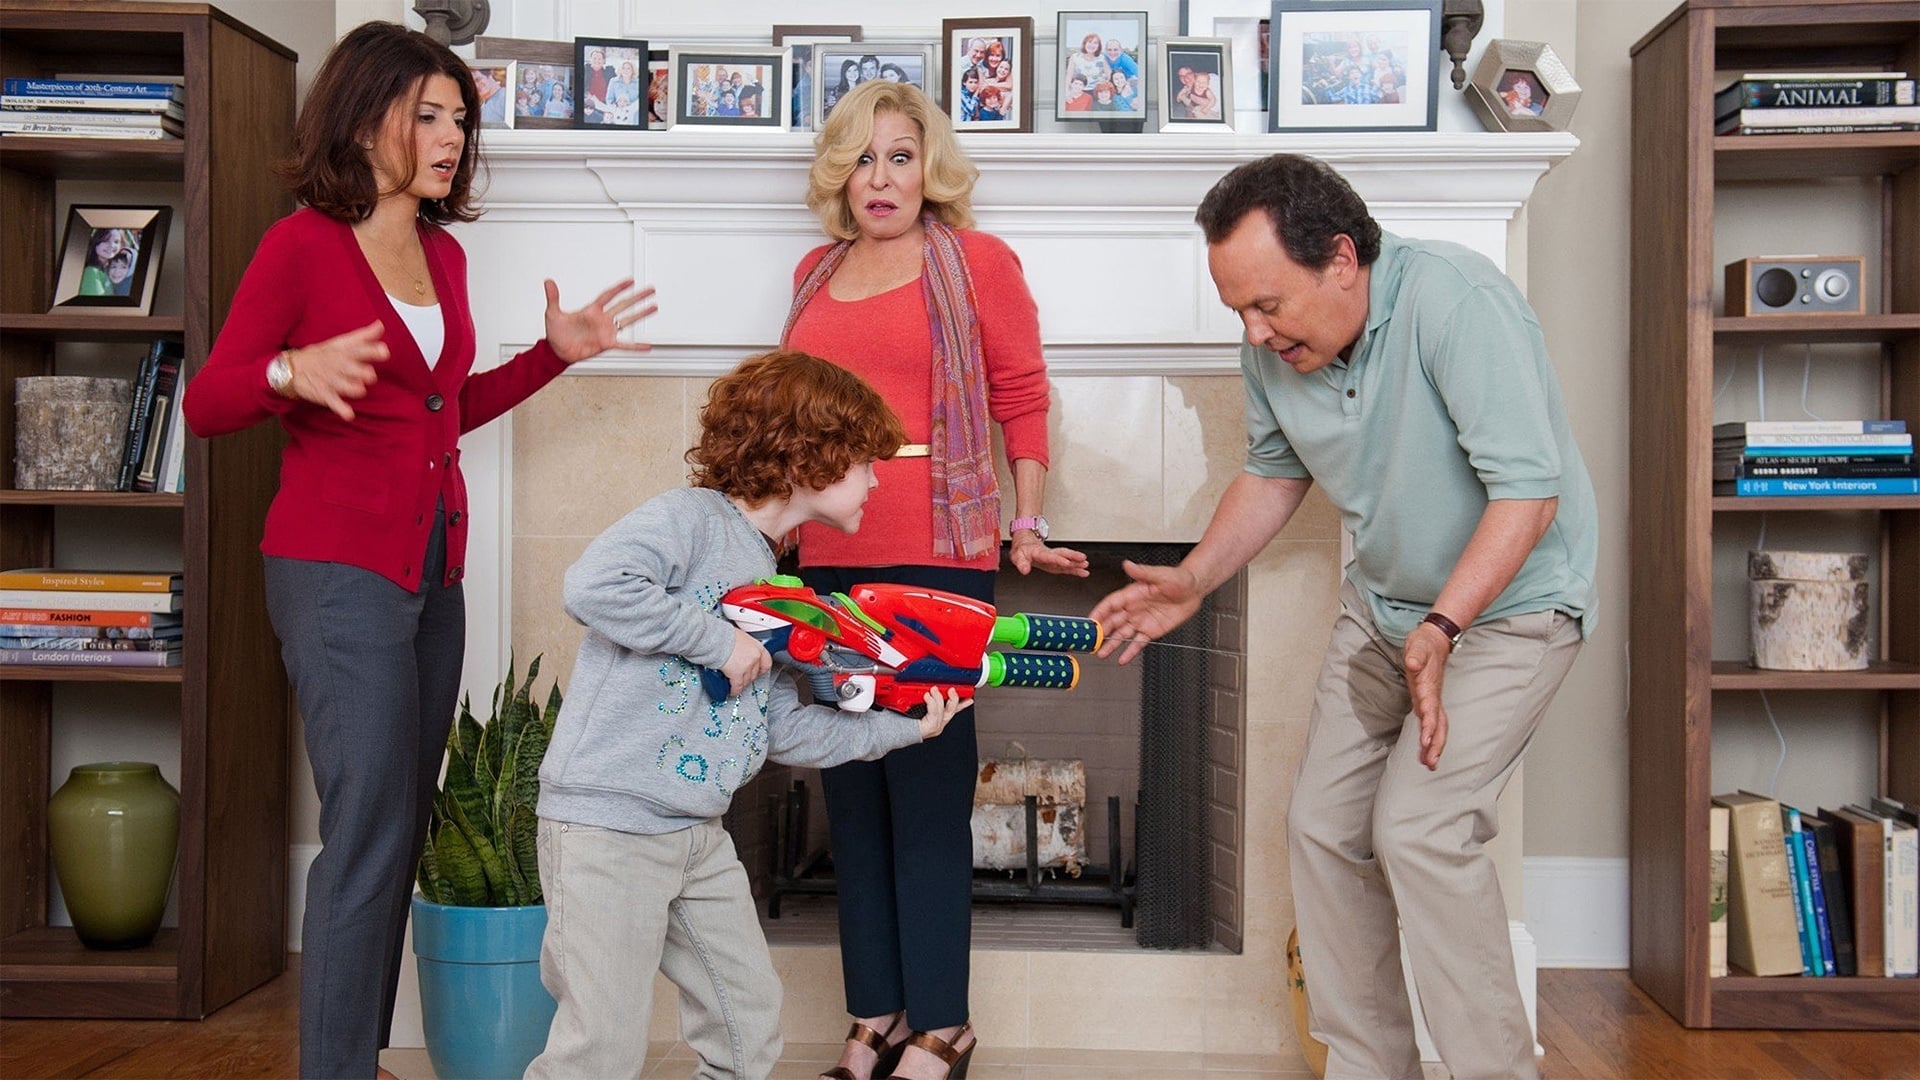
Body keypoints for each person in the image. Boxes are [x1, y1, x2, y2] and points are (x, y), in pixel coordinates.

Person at [179, 22, 655, 1080]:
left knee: (395, 832)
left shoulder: (444, 255)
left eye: (460, 120)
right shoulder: (301, 246)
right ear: (364, 119)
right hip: (334, 574)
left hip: (434, 577)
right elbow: (207, 402)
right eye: (428, 116)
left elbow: (441, 409)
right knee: (367, 828)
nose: (452, 139)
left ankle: (354, 1057)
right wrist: (287, 373)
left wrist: (552, 357)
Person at [1090, 153, 1595, 1080]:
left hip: (1508, 612)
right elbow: (1272, 472)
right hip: (1385, 610)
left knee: (1420, 830)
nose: (1253, 332)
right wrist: (1194, 577)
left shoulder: (1457, 303)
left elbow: (1529, 494)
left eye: (1267, 304)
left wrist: (1442, 629)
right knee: (1322, 829)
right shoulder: (1277, 350)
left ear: (1341, 259)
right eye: (1238, 311)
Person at [526, 349, 973, 1080]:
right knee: (598, 1050)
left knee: (748, 1029)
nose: (875, 478)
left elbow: (781, 727)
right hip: (609, 827)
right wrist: (718, 642)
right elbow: (594, 585)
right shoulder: (692, 520)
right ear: (807, 457)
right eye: (865, 461)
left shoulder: (775, 578)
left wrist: (907, 729)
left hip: (696, 833)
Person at [784, 79, 1089, 1080]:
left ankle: (944, 1024)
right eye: (862, 158)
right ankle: (874, 1013)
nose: (881, 177)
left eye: (901, 157)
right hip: (829, 557)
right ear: (841, 173)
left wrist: (1027, 524)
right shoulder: (813, 274)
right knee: (851, 790)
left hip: (941, 552)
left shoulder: (978, 263)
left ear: (930, 170)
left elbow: (1022, 396)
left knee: (924, 787)